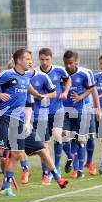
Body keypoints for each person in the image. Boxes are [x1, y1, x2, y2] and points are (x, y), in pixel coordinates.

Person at [0, 48, 68, 197]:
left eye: (31, 59)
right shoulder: (6, 74)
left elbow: (27, 87)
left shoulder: (26, 76)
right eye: (27, 59)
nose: (30, 61)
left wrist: (38, 95)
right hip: (4, 117)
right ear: (19, 61)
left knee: (17, 154)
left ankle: (6, 187)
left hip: (19, 121)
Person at [62, 50, 100, 179]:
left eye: (70, 63)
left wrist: (81, 97)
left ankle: (81, 169)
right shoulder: (61, 73)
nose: (68, 66)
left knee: (81, 139)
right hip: (65, 111)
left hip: (82, 111)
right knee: (64, 136)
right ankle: (71, 158)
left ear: (76, 62)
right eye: (66, 63)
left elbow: (91, 88)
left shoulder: (84, 73)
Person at [36, 48, 71, 182]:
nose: (45, 62)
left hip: (57, 109)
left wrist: (66, 92)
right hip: (41, 112)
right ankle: (47, 172)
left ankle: (56, 167)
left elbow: (68, 80)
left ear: (51, 58)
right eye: (42, 59)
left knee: (57, 135)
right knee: (44, 144)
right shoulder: (35, 72)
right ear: (39, 59)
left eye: (47, 59)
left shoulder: (59, 70)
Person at [28, 57, 57, 184]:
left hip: (40, 116)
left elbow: (54, 93)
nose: (28, 65)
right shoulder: (19, 78)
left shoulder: (43, 77)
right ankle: (25, 171)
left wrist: (43, 96)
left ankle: (46, 173)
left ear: (33, 63)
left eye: (30, 62)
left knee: (44, 146)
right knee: (18, 147)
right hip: (24, 117)